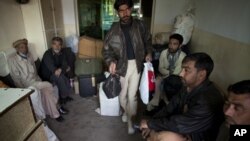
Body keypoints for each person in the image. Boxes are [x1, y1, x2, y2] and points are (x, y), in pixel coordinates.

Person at [140, 52, 225, 141]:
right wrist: (151, 124)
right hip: (186, 129)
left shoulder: (208, 100)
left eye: (186, 70)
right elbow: (170, 107)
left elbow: (180, 124)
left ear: (201, 74)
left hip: (197, 136)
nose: (180, 74)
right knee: (153, 132)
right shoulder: (187, 87)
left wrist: (151, 124)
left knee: (161, 137)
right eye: (182, 69)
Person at [102, 0, 152, 134]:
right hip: (121, 66)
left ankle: (131, 120)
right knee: (122, 95)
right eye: (121, 10)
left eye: (127, 9)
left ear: (131, 9)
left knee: (132, 95)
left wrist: (148, 52)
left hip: (136, 64)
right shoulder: (113, 30)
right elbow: (106, 50)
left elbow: (148, 40)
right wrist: (111, 61)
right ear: (118, 13)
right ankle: (126, 111)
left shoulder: (140, 25)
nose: (125, 13)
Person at [8, 38, 67, 122]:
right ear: (17, 49)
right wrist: (22, 92)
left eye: (25, 46)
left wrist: (40, 81)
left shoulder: (29, 55)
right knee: (50, 85)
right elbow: (16, 78)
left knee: (47, 93)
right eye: (21, 47)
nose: (24, 48)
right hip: (27, 85)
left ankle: (55, 114)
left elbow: (35, 72)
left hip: (37, 82)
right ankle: (58, 107)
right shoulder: (12, 60)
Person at [147, 34, 186, 111]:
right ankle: (155, 101)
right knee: (157, 81)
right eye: (170, 43)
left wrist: (167, 73)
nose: (171, 46)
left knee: (170, 82)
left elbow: (178, 72)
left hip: (176, 78)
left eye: (175, 44)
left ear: (180, 45)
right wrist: (168, 73)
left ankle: (166, 100)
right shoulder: (164, 53)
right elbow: (160, 68)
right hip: (164, 75)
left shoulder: (183, 56)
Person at [40, 37, 74, 104]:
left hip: (57, 71)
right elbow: (52, 68)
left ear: (61, 46)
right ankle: (63, 98)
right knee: (60, 78)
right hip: (47, 75)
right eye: (55, 44)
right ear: (52, 45)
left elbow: (65, 64)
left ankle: (66, 95)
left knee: (66, 74)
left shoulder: (62, 53)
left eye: (59, 44)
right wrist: (61, 69)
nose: (57, 46)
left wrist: (61, 69)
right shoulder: (47, 54)